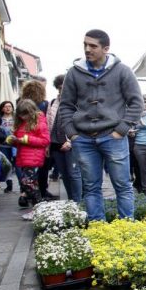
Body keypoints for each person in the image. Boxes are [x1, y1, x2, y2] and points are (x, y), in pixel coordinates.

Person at [56, 28, 142, 222]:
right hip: (83, 139)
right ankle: (98, 227)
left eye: (93, 46)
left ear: (106, 48)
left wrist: (121, 130)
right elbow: (66, 105)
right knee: (91, 187)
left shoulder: (122, 71)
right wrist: (72, 133)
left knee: (123, 185)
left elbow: (137, 103)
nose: (87, 49)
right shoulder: (74, 73)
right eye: (85, 45)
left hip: (113, 137)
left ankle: (127, 228)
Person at [7, 99, 49, 214]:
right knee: (29, 184)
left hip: (33, 157)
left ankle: (39, 207)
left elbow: (45, 141)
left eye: (25, 114)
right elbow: (18, 140)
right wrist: (13, 140)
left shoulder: (40, 122)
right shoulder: (21, 124)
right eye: (20, 114)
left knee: (28, 183)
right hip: (24, 157)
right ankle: (39, 207)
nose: (23, 117)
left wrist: (26, 139)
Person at [48, 74, 81, 202]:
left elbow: (79, 123)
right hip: (56, 142)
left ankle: (78, 202)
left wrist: (70, 141)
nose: (62, 90)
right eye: (60, 87)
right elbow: (49, 123)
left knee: (74, 173)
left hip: (72, 142)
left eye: (65, 87)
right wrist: (48, 145)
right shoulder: (53, 102)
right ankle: (72, 200)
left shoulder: (76, 102)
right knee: (64, 175)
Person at [20, 80, 55, 201]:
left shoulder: (20, 103)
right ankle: (41, 192)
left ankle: (25, 193)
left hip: (23, 142)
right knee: (42, 167)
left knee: (26, 170)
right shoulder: (44, 104)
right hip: (39, 141)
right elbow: (47, 125)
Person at [0, 100, 15, 193]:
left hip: (15, 145)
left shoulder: (16, 119)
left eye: (10, 106)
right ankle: (9, 183)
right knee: (7, 165)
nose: (8, 108)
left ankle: (22, 184)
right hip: (4, 145)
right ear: (2, 108)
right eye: (6, 106)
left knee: (17, 165)